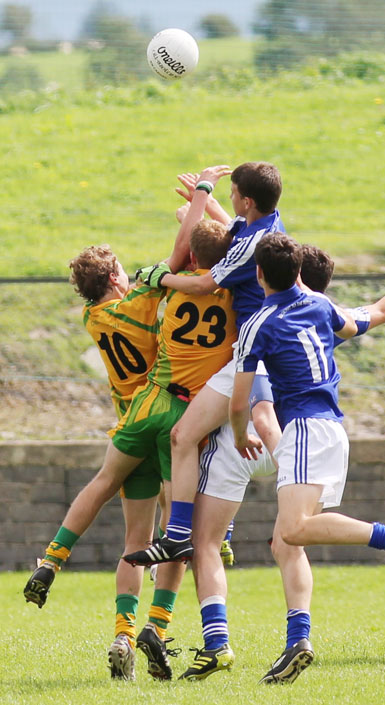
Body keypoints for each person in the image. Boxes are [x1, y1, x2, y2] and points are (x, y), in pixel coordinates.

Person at [177, 250, 385, 682]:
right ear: (300, 275)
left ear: (258, 274)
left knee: (293, 529)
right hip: (333, 431)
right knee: (287, 544)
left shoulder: (256, 326)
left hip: (303, 428)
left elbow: (240, 398)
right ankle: (297, 642)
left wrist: (241, 431)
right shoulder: (321, 307)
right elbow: (382, 309)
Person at [23, 167, 236, 680]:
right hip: (174, 409)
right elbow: (183, 259)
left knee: (124, 525)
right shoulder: (149, 300)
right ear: (117, 277)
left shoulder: (93, 319)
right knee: (175, 534)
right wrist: (197, 209)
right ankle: (157, 630)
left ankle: (63, 569)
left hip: (130, 419)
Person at [123, 161, 285, 567]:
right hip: (245, 353)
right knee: (196, 438)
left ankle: (183, 534)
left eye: (234, 194)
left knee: (194, 435)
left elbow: (203, 281)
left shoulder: (251, 243)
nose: (230, 200)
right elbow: (233, 228)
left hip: (250, 353)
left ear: (247, 199)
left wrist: (157, 277)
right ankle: (186, 535)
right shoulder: (266, 225)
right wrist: (204, 200)